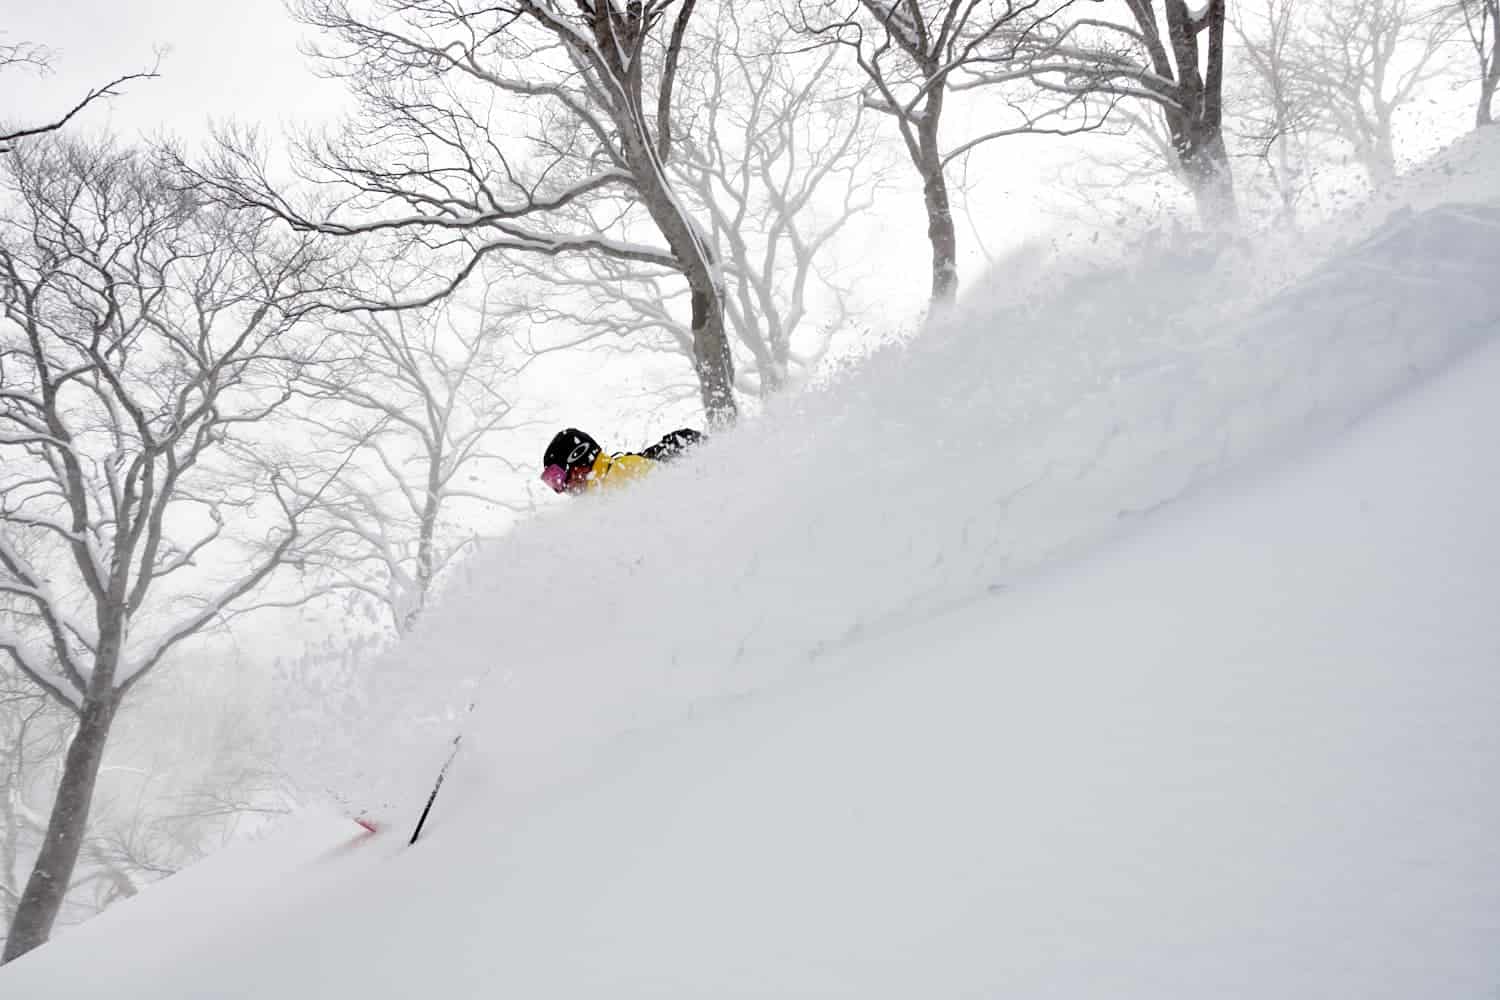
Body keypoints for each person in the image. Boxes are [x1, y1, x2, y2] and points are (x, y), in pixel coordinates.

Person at [540, 427, 703, 495]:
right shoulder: (604, 487)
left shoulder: (624, 473)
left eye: (557, 477)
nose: (560, 489)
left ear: (577, 464)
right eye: (552, 482)